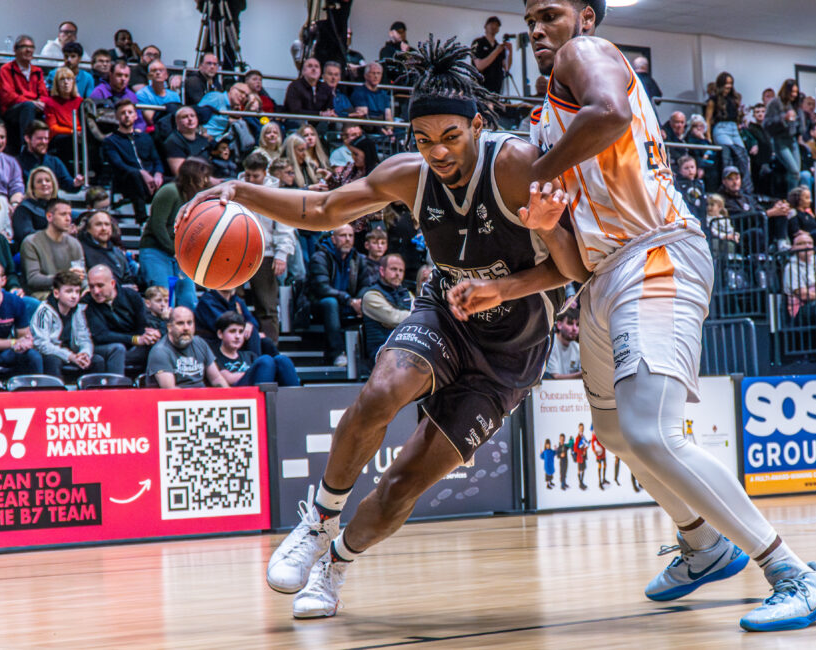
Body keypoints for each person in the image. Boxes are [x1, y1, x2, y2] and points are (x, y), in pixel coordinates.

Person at [180, 36, 568, 619]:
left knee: (407, 479)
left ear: (478, 124)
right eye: (424, 140)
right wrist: (242, 193)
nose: (437, 152)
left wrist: (503, 288)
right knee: (381, 389)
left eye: (451, 137)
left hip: (512, 353)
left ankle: (334, 567)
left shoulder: (513, 166)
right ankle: (319, 521)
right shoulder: (410, 176)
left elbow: (574, 266)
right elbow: (323, 210)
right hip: (447, 316)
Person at [523, 0, 816, 631]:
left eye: (550, 13)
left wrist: (535, 176)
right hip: (602, 275)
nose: (536, 28)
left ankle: (796, 575)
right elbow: (570, 257)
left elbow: (610, 112)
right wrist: (534, 237)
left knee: (652, 432)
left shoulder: (585, 55)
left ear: (586, 15)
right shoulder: (542, 118)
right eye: (528, 16)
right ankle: (702, 544)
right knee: (614, 433)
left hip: (654, 252)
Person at [140, 157, 208, 310]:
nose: (205, 181)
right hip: (157, 252)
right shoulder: (169, 191)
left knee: (189, 299)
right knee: (165, 300)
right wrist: (175, 250)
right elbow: (158, 226)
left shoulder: (193, 198)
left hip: (180, 255)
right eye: (202, 176)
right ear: (192, 177)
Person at [240, 152, 295, 341]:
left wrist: (282, 254)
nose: (251, 179)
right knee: (233, 302)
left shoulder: (276, 193)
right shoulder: (236, 189)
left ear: (265, 173)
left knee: (267, 306)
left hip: (266, 253)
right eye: (248, 175)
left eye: (255, 176)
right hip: (238, 253)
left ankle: (271, 351)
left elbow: (285, 226)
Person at [32, 270, 122, 378]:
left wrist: (85, 354)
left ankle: (97, 393)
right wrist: (70, 356)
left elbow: (84, 338)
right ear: (56, 293)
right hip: (52, 354)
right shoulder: (43, 312)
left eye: (77, 292)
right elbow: (42, 345)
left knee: (97, 360)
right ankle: (56, 393)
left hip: (72, 353)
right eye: (69, 291)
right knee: (52, 360)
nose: (74, 296)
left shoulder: (79, 309)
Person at [307, 223, 370, 366]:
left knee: (371, 301)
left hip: (348, 303)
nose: (347, 239)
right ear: (333, 239)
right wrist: (349, 300)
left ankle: (371, 356)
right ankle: (337, 353)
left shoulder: (358, 258)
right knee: (331, 302)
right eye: (343, 235)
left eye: (350, 235)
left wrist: (359, 301)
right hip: (319, 305)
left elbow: (366, 285)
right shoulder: (320, 257)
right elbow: (322, 288)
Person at [83, 264, 157, 373]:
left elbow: (143, 324)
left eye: (100, 285)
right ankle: (116, 388)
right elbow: (101, 336)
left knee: (157, 345)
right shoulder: (88, 303)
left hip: (134, 347)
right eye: (91, 286)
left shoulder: (131, 296)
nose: (96, 291)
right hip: (109, 349)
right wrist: (134, 339)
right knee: (118, 349)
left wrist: (152, 334)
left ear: (112, 283)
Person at [102, 100, 163, 220]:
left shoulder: (145, 138)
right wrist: (142, 173)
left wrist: (158, 174)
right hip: (127, 180)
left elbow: (156, 160)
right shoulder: (111, 141)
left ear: (135, 116)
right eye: (123, 113)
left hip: (151, 179)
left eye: (130, 112)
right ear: (117, 117)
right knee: (134, 176)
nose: (127, 115)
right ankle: (142, 219)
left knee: (175, 182)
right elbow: (118, 164)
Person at [147, 305, 229, 388]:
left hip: (201, 397)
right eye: (180, 323)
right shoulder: (160, 351)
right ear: (169, 327)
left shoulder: (200, 343)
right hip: (177, 399)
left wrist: (230, 397)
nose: (186, 328)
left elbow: (216, 379)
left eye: (189, 323)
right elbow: (170, 391)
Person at [20, 198, 85, 300]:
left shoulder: (74, 244)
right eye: (63, 214)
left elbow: (82, 276)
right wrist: (65, 277)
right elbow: (33, 279)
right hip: (43, 295)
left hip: (72, 295)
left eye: (69, 215)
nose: (68, 219)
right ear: (49, 217)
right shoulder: (31, 242)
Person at [213, 311, 300, 387]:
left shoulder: (249, 355)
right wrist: (256, 371)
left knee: (282, 360)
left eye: (241, 332)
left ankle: (297, 399)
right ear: (220, 334)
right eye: (232, 331)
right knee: (266, 361)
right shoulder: (214, 357)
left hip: (257, 387)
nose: (237, 336)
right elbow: (228, 379)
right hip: (238, 395)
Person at [0, 35, 48, 156]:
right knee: (27, 107)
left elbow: (44, 94)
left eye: (31, 47)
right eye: (24, 47)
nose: (28, 50)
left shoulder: (37, 71)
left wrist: (40, 102)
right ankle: (26, 148)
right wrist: (31, 102)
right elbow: (8, 96)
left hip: (33, 107)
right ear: (15, 49)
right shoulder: (6, 69)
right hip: (13, 110)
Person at [704, 72, 752, 194]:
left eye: (730, 83)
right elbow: (708, 119)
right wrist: (708, 136)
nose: (728, 86)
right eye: (726, 84)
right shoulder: (713, 100)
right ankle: (727, 186)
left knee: (743, 155)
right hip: (721, 128)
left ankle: (746, 188)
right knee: (729, 152)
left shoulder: (733, 99)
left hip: (733, 129)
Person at [358, 253, 412, 360]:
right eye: (393, 269)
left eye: (401, 271)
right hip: (381, 350)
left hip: (406, 348)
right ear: (382, 271)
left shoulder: (407, 294)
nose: (398, 274)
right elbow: (394, 318)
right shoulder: (371, 295)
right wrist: (413, 317)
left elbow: (418, 315)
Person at [194, 287, 276, 357]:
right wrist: (246, 327)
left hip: (235, 341)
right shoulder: (206, 301)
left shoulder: (235, 299)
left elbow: (253, 322)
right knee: (253, 333)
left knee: (266, 343)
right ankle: (254, 368)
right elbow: (226, 325)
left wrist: (249, 325)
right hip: (216, 345)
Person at [765, 78, 806, 193]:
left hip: (792, 141)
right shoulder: (775, 103)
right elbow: (767, 123)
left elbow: (800, 126)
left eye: (796, 92)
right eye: (791, 92)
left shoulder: (796, 106)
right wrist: (784, 118)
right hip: (780, 140)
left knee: (796, 174)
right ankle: (792, 199)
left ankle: (794, 198)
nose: (794, 95)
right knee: (794, 171)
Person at [17, 121, 83, 193]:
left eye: (46, 138)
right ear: (27, 138)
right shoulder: (16, 163)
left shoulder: (54, 161)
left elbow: (67, 183)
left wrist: (76, 183)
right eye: (40, 138)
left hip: (51, 202)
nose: (44, 142)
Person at [77, 210, 133, 285]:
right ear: (88, 229)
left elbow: (128, 279)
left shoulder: (117, 252)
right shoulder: (80, 250)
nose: (104, 228)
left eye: (107, 224)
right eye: (98, 224)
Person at [43, 66, 85, 159]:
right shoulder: (50, 102)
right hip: (60, 138)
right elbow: (53, 128)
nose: (66, 82)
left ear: (73, 82)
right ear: (57, 84)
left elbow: (84, 126)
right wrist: (73, 131)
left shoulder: (80, 102)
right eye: (62, 79)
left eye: (69, 79)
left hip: (78, 136)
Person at [91, 62, 145, 133]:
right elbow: (91, 121)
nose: (123, 79)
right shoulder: (99, 92)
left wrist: (137, 131)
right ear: (111, 75)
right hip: (104, 135)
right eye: (119, 75)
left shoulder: (131, 96)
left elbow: (140, 121)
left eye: (126, 76)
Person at [163, 106, 214, 176]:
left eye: (192, 116)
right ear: (177, 121)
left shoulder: (203, 140)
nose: (190, 119)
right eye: (185, 117)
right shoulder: (173, 141)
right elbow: (179, 172)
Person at [349, 63, 395, 138]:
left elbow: (388, 116)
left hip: (382, 126)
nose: (376, 76)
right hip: (368, 128)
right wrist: (382, 130)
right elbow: (364, 117)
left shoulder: (384, 94)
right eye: (373, 73)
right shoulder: (359, 93)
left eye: (378, 73)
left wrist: (389, 129)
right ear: (366, 75)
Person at [472, 16, 512, 95]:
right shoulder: (478, 43)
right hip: (481, 87)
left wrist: (510, 52)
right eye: (491, 24)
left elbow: (506, 67)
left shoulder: (499, 46)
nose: (494, 27)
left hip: (496, 88)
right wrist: (496, 51)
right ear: (486, 26)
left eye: (496, 25)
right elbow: (479, 66)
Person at [544, 308, 581, 379]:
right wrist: (583, 375)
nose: (574, 328)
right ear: (559, 325)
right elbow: (555, 377)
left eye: (577, 324)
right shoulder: (551, 344)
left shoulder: (578, 348)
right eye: (570, 323)